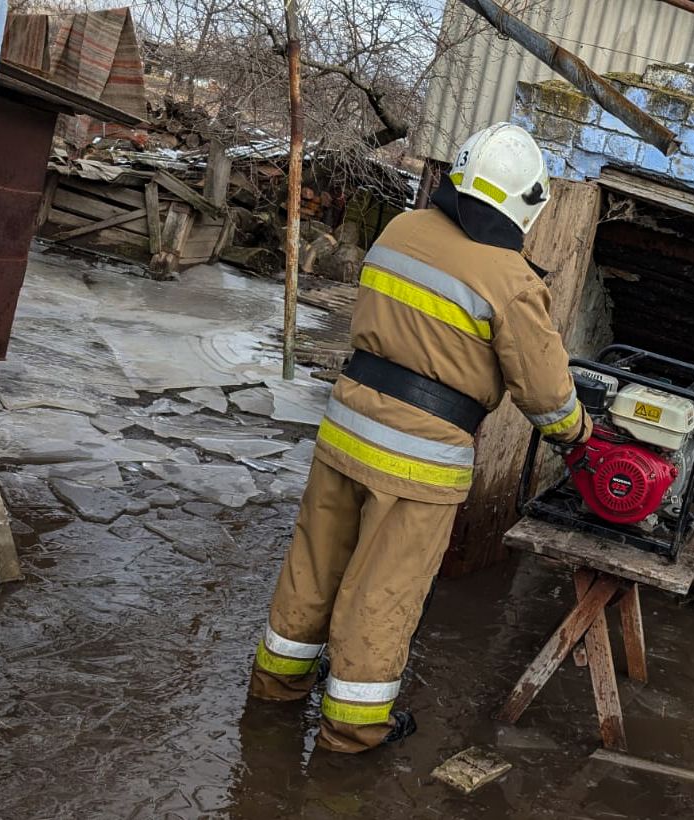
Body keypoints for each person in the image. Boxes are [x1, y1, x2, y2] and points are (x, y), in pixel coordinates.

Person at [246, 123, 592, 753]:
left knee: (313, 563)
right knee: (382, 590)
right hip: (418, 462)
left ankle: (277, 685)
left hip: (344, 430)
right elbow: (547, 397)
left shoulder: (399, 230)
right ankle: (351, 730)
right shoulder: (511, 280)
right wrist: (580, 435)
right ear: (526, 204)